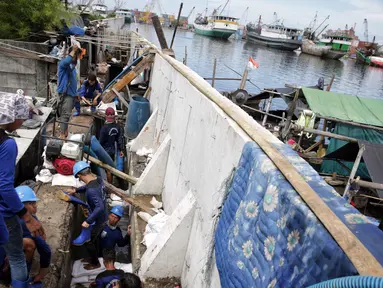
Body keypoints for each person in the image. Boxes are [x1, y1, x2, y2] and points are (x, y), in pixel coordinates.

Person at [0, 92, 45, 287]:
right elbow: (4, 187)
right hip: (3, 212)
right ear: (12, 117)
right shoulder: (7, 144)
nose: (24, 121)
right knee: (17, 255)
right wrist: (27, 217)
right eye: (23, 116)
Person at [68, 161, 108, 270]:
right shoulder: (98, 179)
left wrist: (88, 221)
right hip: (103, 216)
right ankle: (95, 256)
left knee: (88, 241)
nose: (80, 179)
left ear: (80, 175)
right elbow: (87, 187)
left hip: (98, 219)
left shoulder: (91, 191)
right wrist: (76, 190)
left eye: (79, 177)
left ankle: (95, 263)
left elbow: (99, 207)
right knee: (95, 239)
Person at [15, 186, 51, 284]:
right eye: (31, 203)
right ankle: (23, 273)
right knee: (30, 243)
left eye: (34, 202)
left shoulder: (7, 216)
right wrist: (42, 273)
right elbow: (45, 249)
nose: (35, 206)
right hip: (8, 258)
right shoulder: (27, 223)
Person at [57, 45, 80, 138]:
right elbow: (67, 61)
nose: (76, 58)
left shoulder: (72, 68)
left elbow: (74, 82)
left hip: (71, 94)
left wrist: (76, 94)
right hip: (65, 94)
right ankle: (62, 135)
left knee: (67, 115)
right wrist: (73, 51)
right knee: (65, 114)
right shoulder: (63, 64)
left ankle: (65, 132)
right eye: (75, 55)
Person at [99, 107, 124, 183]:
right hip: (113, 150)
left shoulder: (104, 129)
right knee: (110, 167)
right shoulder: (117, 127)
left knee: (107, 169)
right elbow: (119, 139)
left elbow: (101, 141)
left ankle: (109, 186)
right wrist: (121, 150)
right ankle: (112, 183)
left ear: (106, 116)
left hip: (105, 151)